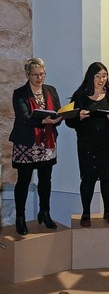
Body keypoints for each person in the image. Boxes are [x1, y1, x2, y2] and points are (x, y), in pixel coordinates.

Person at [66, 62, 109, 227]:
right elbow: (69, 121)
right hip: (88, 144)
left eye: (104, 76)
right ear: (90, 77)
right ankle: (86, 213)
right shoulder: (79, 96)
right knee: (88, 179)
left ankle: (108, 210)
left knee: (108, 177)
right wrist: (79, 116)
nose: (102, 80)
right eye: (98, 76)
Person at [9, 57, 62, 235]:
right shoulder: (20, 93)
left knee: (45, 181)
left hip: (47, 144)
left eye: (42, 74)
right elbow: (23, 118)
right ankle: (21, 217)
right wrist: (43, 120)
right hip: (27, 144)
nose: (40, 78)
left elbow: (58, 110)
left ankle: (44, 212)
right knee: (23, 181)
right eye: (35, 75)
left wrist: (58, 118)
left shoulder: (51, 90)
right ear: (27, 75)